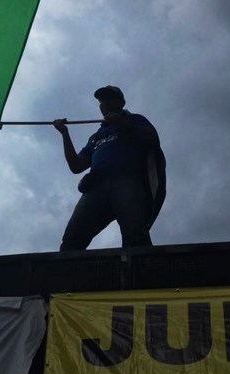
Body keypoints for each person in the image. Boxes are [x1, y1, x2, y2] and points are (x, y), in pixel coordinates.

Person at [53, 85, 166, 251]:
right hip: (95, 187)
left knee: (135, 235)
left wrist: (123, 124)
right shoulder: (96, 136)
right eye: (101, 100)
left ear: (121, 102)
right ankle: (67, 274)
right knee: (72, 239)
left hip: (128, 183)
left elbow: (151, 138)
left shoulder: (135, 119)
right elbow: (76, 166)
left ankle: (140, 273)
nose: (104, 103)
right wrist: (64, 133)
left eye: (109, 98)